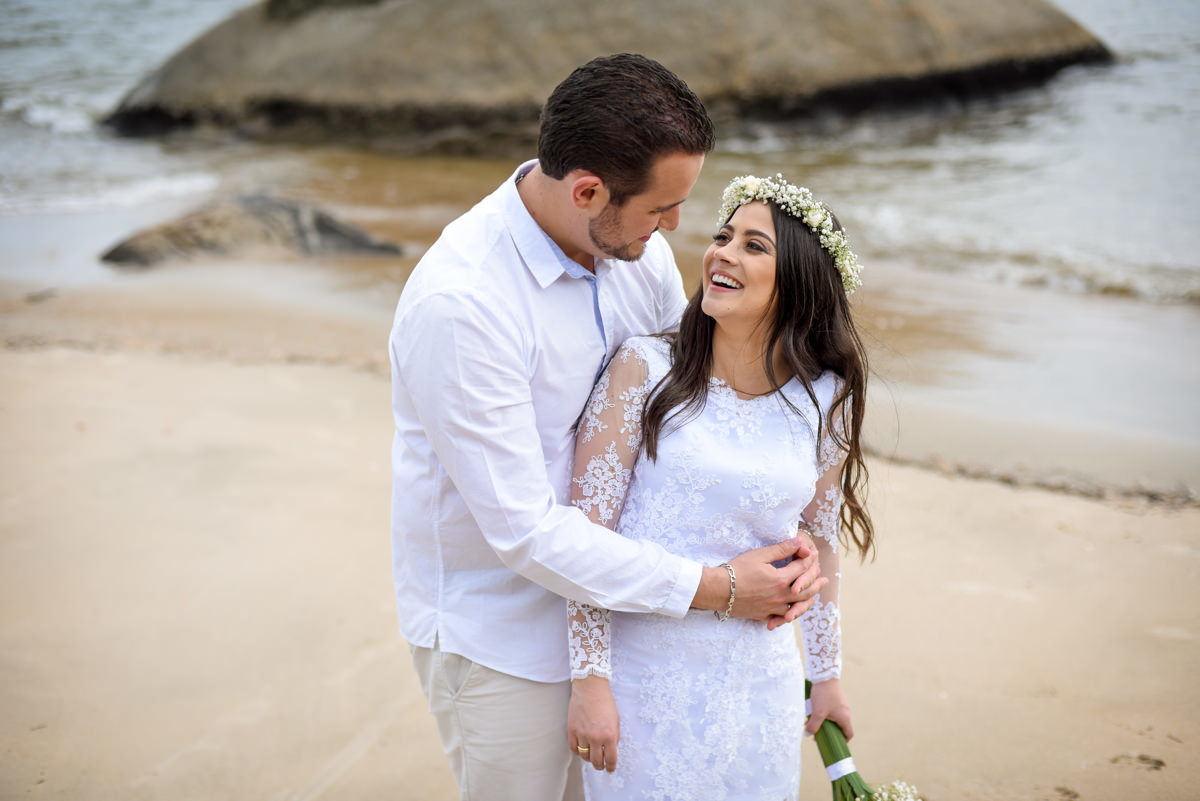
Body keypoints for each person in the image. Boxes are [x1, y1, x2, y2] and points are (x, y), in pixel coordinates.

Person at [389, 55, 826, 800]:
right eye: (661, 209)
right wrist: (719, 586)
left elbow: (684, 407)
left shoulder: (636, 252)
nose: (678, 231)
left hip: (630, 625)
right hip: (503, 633)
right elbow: (526, 532)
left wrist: (782, 533)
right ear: (588, 190)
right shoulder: (462, 305)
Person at [564, 173, 875, 799]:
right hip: (645, 680)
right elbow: (584, 537)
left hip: (760, 681)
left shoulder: (825, 399)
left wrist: (827, 675)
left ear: (799, 287)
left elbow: (818, 536)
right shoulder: (642, 370)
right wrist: (589, 680)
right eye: (723, 235)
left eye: (754, 246)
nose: (723, 253)